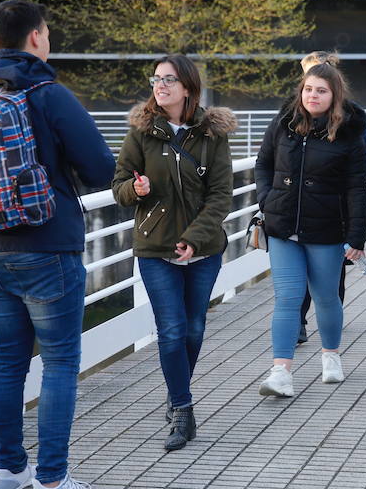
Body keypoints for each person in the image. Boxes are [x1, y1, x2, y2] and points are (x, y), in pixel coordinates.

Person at [0, 0, 115, 489]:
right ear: (35, 38)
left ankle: (10, 470)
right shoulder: (47, 92)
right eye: (46, 31)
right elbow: (100, 168)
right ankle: (52, 479)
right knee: (59, 362)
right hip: (46, 247)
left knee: (8, 359)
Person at [112, 55, 235, 450]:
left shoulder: (212, 135)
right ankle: (182, 410)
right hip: (155, 248)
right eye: (156, 79)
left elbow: (221, 195)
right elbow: (118, 187)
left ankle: (176, 393)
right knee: (171, 331)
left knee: (194, 328)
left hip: (204, 250)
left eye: (168, 79)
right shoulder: (141, 133)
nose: (159, 85)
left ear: (187, 87)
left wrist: (195, 238)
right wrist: (137, 191)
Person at [255, 63, 366, 396]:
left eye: (321, 90)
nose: (313, 95)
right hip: (282, 228)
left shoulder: (348, 133)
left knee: (325, 297)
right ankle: (281, 373)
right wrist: (267, 198)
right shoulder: (284, 123)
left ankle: (331, 356)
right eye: (308, 89)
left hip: (327, 230)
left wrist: (357, 236)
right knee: (288, 299)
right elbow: (263, 163)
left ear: (334, 95)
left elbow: (357, 188)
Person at [296, 51, 366, 344]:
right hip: (300, 205)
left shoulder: (351, 116)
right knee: (298, 267)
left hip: (335, 205)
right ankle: (299, 322)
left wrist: (341, 179)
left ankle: (331, 319)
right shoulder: (294, 113)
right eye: (306, 77)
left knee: (334, 269)